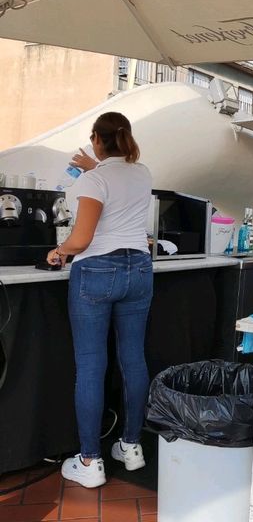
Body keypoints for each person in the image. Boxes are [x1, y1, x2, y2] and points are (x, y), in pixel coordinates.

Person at [46, 112, 153, 488]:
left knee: (91, 366)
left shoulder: (94, 180)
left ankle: (90, 461)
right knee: (133, 360)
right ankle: (132, 446)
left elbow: (82, 239)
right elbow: (118, 183)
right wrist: (96, 168)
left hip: (97, 272)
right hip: (139, 268)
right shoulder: (142, 173)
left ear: (96, 138)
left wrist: (59, 251)